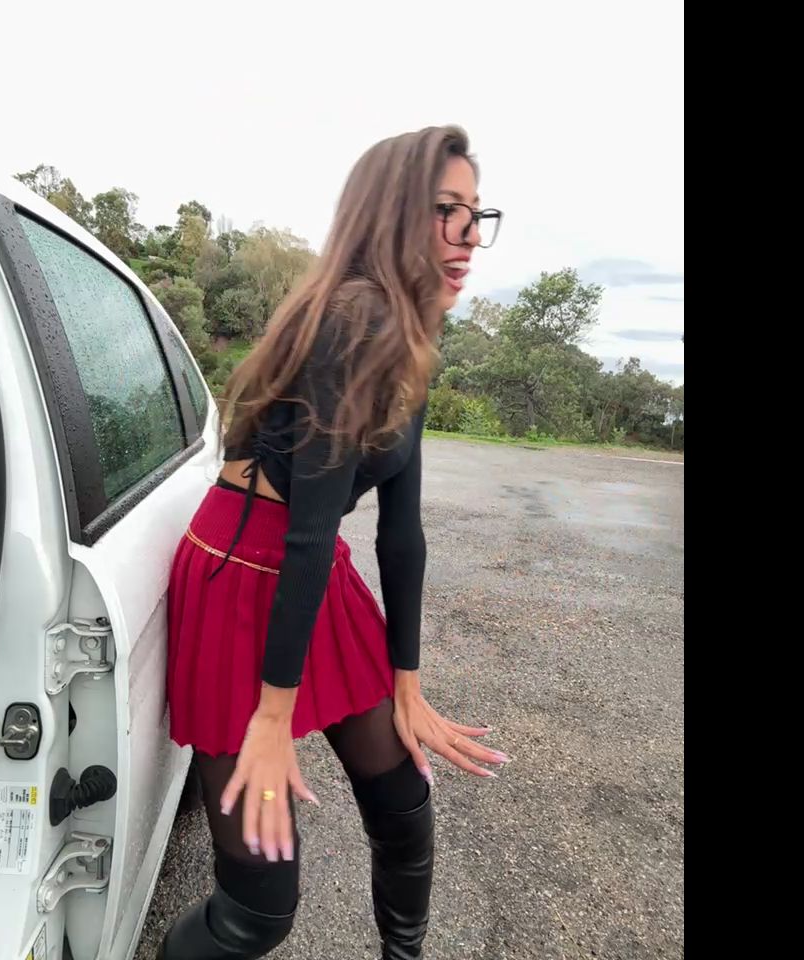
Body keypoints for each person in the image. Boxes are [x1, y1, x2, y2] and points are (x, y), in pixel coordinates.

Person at [159, 125, 508, 960]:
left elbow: (402, 533)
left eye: (476, 214)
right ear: (391, 213)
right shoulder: (354, 317)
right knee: (258, 909)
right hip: (244, 573)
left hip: (310, 574)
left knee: (404, 797)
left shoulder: (412, 337)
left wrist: (407, 685)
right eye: (446, 211)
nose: (467, 235)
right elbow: (312, 529)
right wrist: (271, 719)